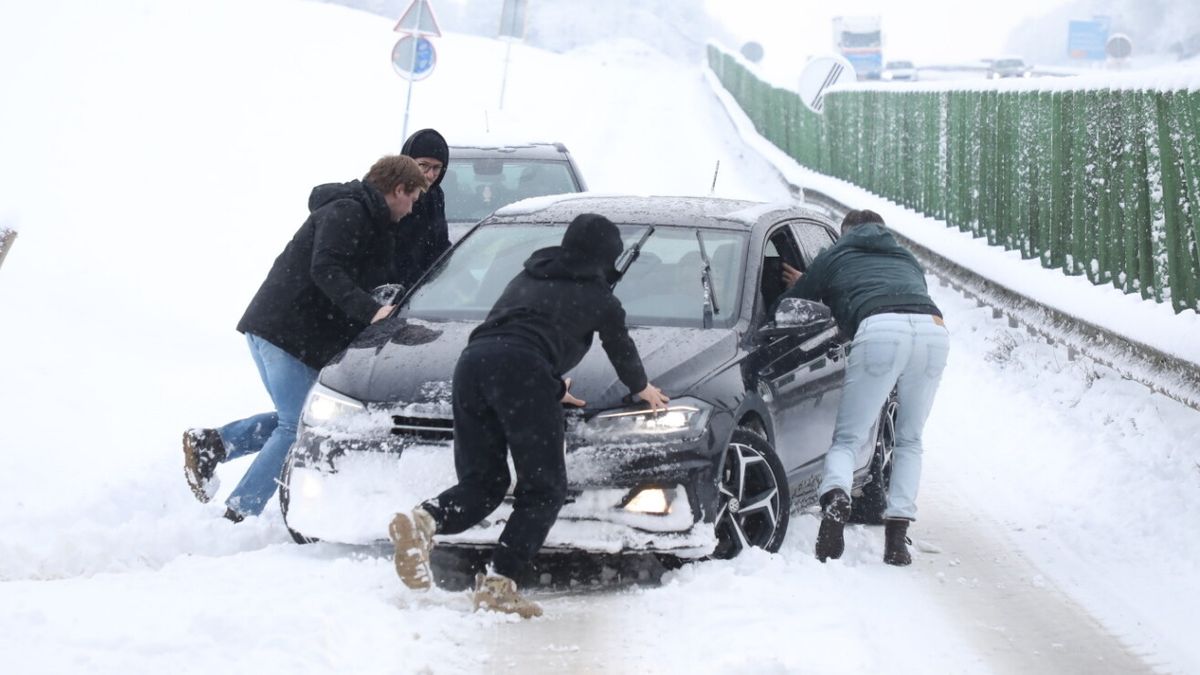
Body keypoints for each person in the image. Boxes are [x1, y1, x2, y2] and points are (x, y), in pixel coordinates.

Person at [388, 213, 670, 618]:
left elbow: (514, 336)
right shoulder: (600, 299)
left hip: (472, 367)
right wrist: (641, 387)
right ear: (606, 258)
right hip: (524, 373)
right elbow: (619, 346)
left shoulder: (527, 278)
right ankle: (500, 584)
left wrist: (553, 390)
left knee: (484, 483)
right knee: (544, 490)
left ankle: (423, 522)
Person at [182, 155, 430, 522]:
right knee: (299, 424)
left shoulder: (372, 221)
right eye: (413, 198)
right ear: (398, 190)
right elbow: (326, 268)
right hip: (282, 330)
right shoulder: (347, 212)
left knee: (306, 417)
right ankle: (239, 513)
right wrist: (369, 310)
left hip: (290, 333)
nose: (412, 209)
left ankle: (214, 444)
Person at [778, 209, 949, 566]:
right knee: (910, 439)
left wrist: (803, 281)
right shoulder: (905, 256)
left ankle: (837, 496)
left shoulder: (837, 253)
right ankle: (897, 538)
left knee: (848, 438)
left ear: (845, 233)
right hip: (932, 330)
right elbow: (902, 291)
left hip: (880, 329)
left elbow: (800, 300)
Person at [392, 128, 451, 289]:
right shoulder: (390, 193)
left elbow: (441, 246)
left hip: (424, 291)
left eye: (437, 168)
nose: (430, 175)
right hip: (392, 294)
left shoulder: (435, 195)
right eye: (423, 165)